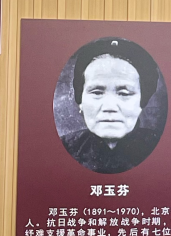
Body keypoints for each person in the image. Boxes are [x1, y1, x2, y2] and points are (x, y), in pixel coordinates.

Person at [59, 36, 163, 174]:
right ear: (80, 101)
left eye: (124, 93)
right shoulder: (64, 148)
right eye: (97, 92)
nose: (109, 107)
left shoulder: (163, 148)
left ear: (142, 101)